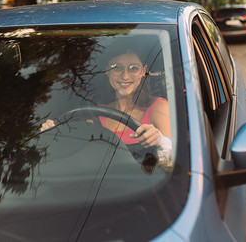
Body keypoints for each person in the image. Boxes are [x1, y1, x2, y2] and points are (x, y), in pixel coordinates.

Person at [41, 42, 172, 166]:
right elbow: (78, 157)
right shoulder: (95, 114)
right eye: (116, 68)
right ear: (107, 71)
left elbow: (170, 162)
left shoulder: (158, 108)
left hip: (148, 186)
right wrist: (54, 136)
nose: (125, 76)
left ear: (143, 71)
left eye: (133, 68)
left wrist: (160, 140)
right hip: (100, 187)